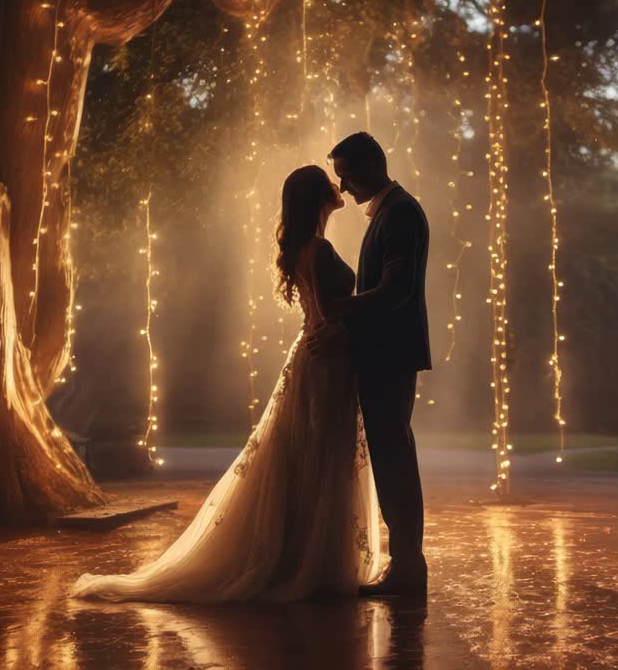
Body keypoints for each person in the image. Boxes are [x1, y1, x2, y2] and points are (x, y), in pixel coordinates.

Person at [71, 164, 384, 603]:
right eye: (328, 181)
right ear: (317, 197)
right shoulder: (317, 249)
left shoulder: (304, 249)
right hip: (325, 361)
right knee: (323, 453)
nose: (339, 185)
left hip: (317, 359)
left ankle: (309, 556)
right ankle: (313, 562)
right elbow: (332, 313)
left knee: (313, 455)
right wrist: (376, 302)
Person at [318, 131, 431, 597]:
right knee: (390, 457)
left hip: (390, 354)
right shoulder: (392, 209)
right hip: (385, 352)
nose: (342, 188)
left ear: (371, 166)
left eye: (346, 176)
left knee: (395, 458)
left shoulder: (400, 212)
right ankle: (405, 564)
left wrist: (338, 310)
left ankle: (407, 566)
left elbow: (396, 290)